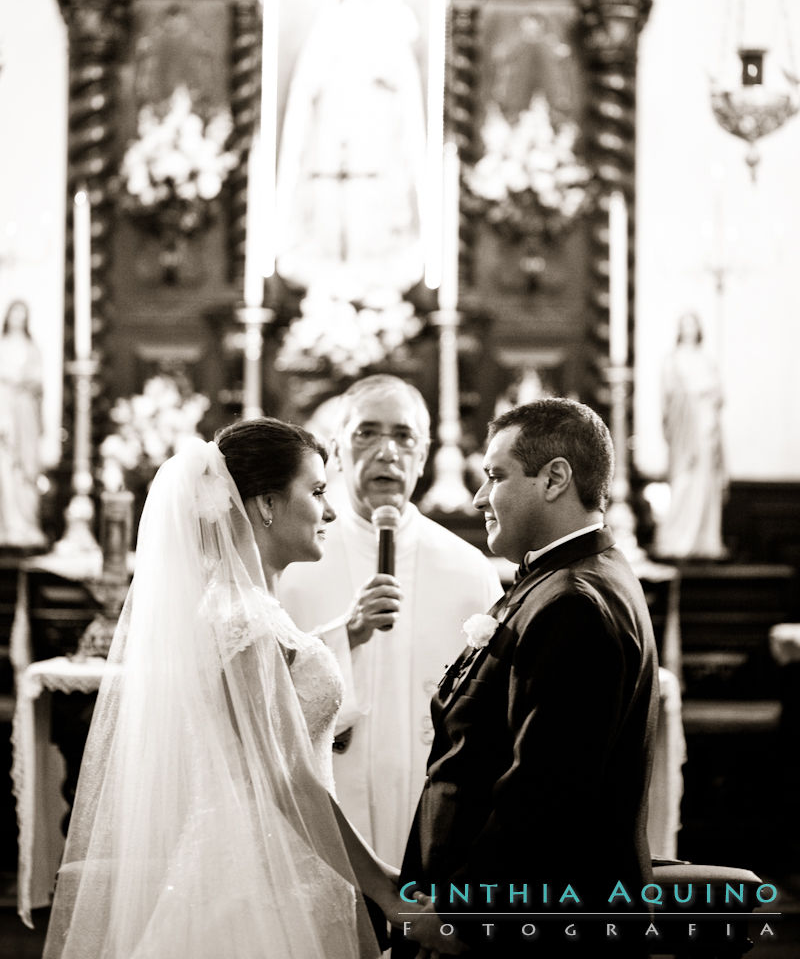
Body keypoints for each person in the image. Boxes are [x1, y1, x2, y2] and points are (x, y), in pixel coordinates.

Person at [43, 418, 441, 959]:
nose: (328, 511)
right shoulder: (240, 620)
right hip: (259, 881)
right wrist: (382, 887)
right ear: (267, 504)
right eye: (318, 490)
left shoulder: (247, 612)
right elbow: (286, 778)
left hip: (286, 862)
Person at [394, 398, 659, 957]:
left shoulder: (575, 603)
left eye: (495, 476)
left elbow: (544, 794)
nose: (479, 498)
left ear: (555, 478)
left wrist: (458, 917)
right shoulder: (557, 579)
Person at [279, 375, 503, 869]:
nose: (387, 452)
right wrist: (345, 636)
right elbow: (257, 701)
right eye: (366, 433)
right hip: (321, 817)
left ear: (424, 456)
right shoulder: (293, 565)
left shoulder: (469, 569)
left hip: (432, 819)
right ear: (336, 451)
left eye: (403, 436)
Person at [654, 311, 726, 559]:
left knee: (705, 483)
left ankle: (704, 539)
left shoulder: (706, 360)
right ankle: (678, 538)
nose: (688, 329)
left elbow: (719, 395)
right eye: (684, 325)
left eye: (692, 324)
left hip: (706, 429)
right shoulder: (672, 361)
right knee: (684, 482)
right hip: (686, 430)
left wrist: (711, 399)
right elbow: (669, 398)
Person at [0, 299, 46, 547]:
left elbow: (38, 383)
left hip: (25, 414)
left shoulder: (31, 348)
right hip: (5, 412)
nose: (17, 318)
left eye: (22, 314)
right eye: (14, 313)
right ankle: (9, 523)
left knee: (27, 468)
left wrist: (25, 383)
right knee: (7, 467)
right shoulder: (2, 346)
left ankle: (26, 522)